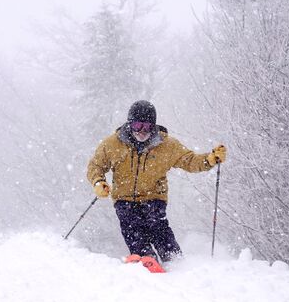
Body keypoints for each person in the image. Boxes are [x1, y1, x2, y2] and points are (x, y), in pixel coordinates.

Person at [87, 100, 226, 271]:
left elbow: (190, 161)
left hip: (154, 196)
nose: (141, 131)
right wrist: (98, 182)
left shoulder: (166, 145)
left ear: (154, 126)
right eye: (137, 125)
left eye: (146, 126)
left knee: (157, 225)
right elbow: (96, 166)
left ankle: (174, 259)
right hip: (123, 197)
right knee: (131, 226)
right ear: (130, 124)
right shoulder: (113, 144)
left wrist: (209, 159)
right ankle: (145, 257)